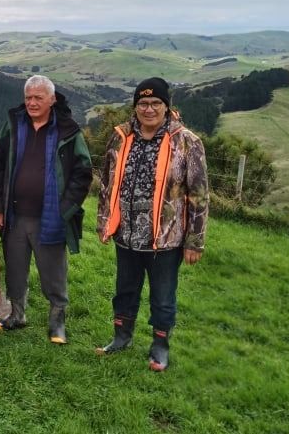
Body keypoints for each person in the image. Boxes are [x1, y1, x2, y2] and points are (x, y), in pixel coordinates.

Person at [96, 77, 209, 371]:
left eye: (155, 103)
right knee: (125, 291)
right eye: (143, 103)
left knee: (162, 297)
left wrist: (195, 241)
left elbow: (199, 195)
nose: (149, 109)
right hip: (126, 234)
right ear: (135, 107)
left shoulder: (187, 142)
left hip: (165, 240)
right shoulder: (120, 137)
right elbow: (107, 183)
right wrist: (104, 222)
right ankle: (121, 337)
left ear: (166, 106)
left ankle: (160, 347)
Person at [0, 75, 93, 344]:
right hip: (14, 215)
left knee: (53, 273)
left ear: (52, 99)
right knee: (15, 270)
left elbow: (83, 173)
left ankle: (57, 322)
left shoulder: (67, 130)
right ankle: (16, 315)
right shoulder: (13, 124)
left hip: (50, 217)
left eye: (38, 98)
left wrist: (65, 209)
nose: (32, 103)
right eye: (28, 98)